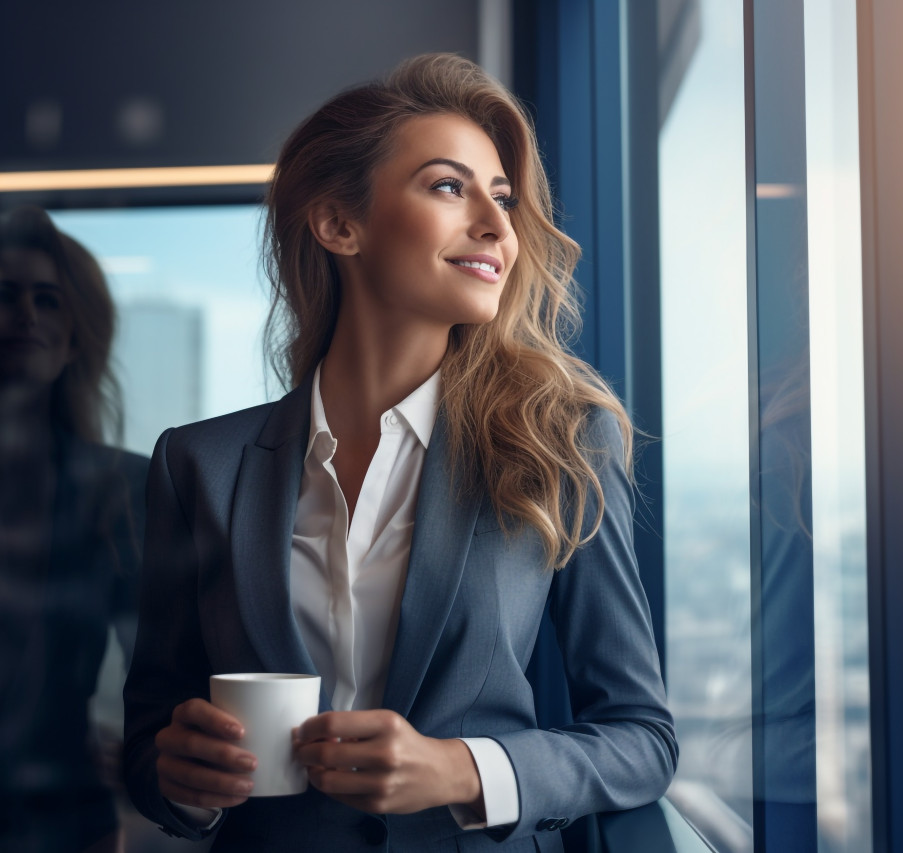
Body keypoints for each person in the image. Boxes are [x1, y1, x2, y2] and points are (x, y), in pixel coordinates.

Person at [122, 53, 676, 852]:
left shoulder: (556, 442)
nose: (496, 225)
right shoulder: (196, 465)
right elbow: (151, 739)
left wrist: (462, 769)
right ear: (339, 224)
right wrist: (182, 778)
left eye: (504, 198)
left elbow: (642, 738)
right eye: (450, 186)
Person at [0, 205, 148, 853]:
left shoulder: (125, 488)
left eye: (48, 300)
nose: (26, 316)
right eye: (5, 296)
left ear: (77, 334)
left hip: (66, 821)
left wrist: (145, 756)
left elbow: (161, 666)